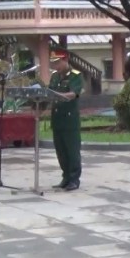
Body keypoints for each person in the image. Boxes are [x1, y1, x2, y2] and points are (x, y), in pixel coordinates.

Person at [49, 50, 83, 191]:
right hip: (57, 120)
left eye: (58, 62)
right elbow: (49, 93)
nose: (56, 66)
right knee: (61, 151)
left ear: (65, 60)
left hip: (69, 120)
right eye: (54, 63)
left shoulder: (75, 75)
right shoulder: (54, 76)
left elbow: (73, 93)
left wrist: (58, 95)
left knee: (72, 151)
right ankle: (66, 177)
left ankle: (74, 179)